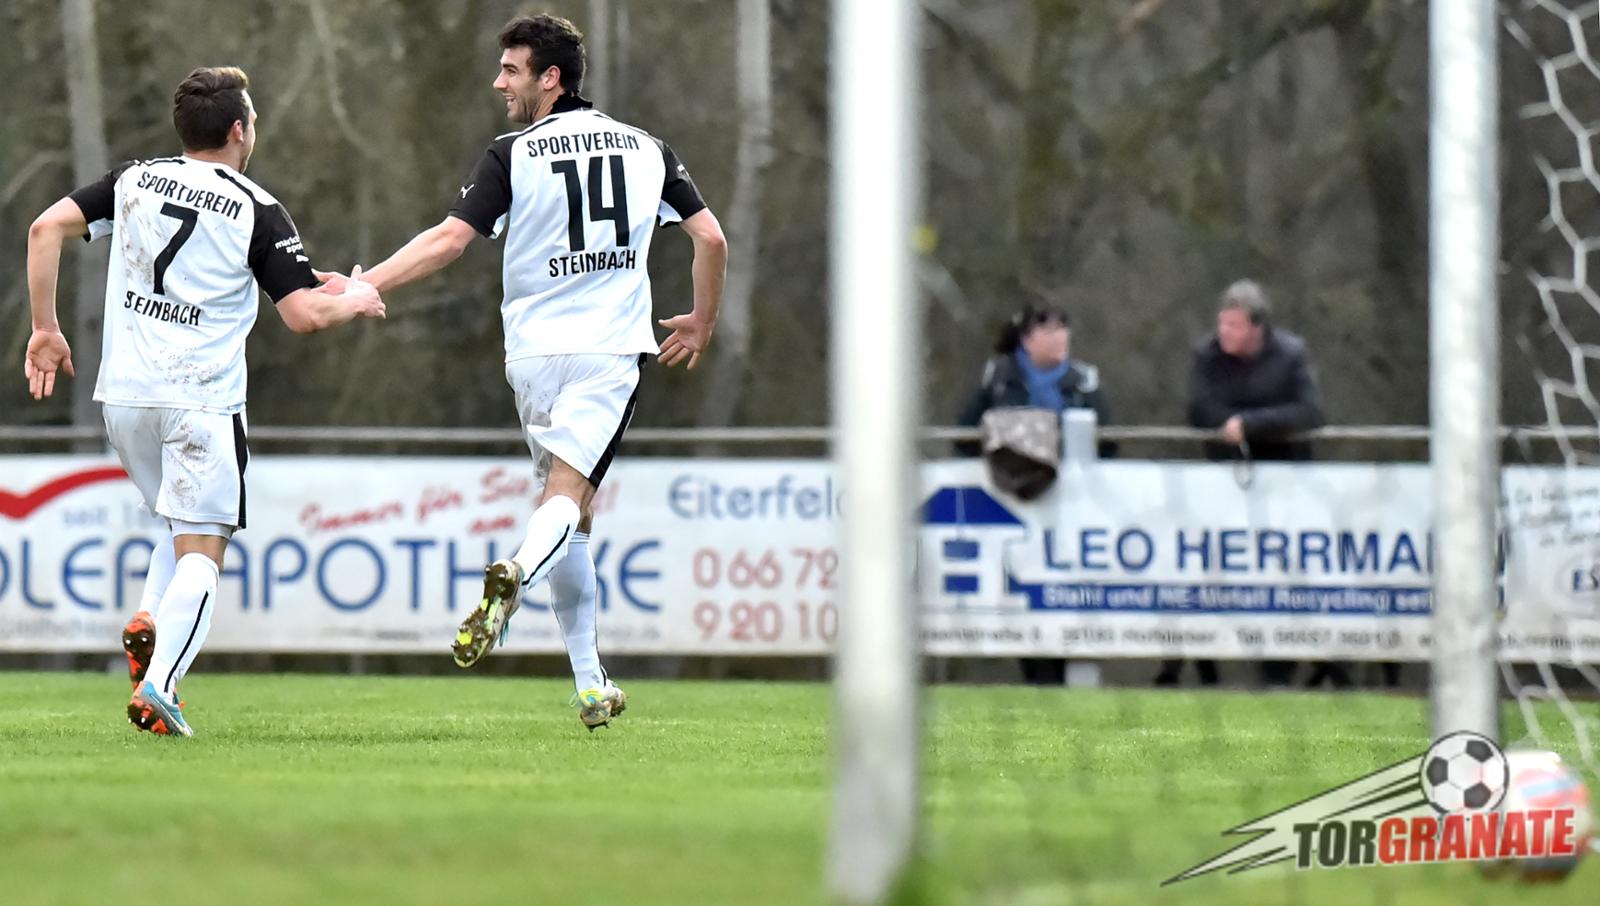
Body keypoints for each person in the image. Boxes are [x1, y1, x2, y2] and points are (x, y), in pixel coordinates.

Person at [327, 15, 727, 730]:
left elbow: (448, 240)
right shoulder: (647, 149)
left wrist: (367, 284)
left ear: (552, 78)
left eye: (511, 70)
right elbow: (711, 237)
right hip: (607, 352)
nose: (498, 82)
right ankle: (515, 571)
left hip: (533, 356)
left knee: (572, 511)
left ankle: (591, 684)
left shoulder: (511, 154)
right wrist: (701, 319)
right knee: (568, 501)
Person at [23, 66, 385, 737]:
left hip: (125, 398)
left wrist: (45, 329)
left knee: (176, 523)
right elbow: (303, 317)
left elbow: (45, 228)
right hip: (199, 403)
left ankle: (150, 615)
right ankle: (160, 686)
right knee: (202, 549)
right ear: (240, 130)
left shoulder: (134, 180)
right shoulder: (257, 207)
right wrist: (356, 300)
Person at [1168, 278, 1326, 689]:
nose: (1224, 333)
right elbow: (1199, 409)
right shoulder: (1207, 355)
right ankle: (1201, 667)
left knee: (1283, 576)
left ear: (1257, 328)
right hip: (1224, 484)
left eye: (1234, 326)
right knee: (1211, 572)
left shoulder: (1291, 354)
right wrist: (1226, 425)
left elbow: (1309, 412)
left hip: (1285, 484)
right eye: (1222, 324)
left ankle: (1281, 670)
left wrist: (1250, 424)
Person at [958, 304, 1111, 685]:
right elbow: (963, 435)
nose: (1060, 338)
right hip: (1015, 509)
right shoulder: (999, 379)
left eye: (1063, 329)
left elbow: (1109, 441)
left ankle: (1070, 674)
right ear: (1027, 340)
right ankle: (1038, 676)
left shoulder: (1084, 382)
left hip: (1072, 511)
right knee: (1023, 590)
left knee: (1069, 590)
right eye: (1050, 330)